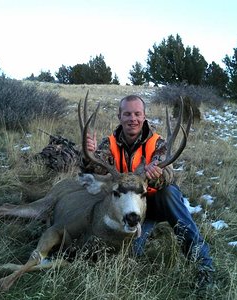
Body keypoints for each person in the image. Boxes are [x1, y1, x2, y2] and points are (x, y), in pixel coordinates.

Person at [84, 95, 214, 290]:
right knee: (131, 254)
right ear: (119, 116)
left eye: (137, 114)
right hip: (128, 208)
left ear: (144, 116)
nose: (132, 118)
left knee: (169, 193)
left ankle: (203, 263)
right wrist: (90, 155)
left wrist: (156, 174)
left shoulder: (157, 143)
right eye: (127, 114)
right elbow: (96, 171)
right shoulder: (108, 144)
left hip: (153, 202)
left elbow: (168, 176)